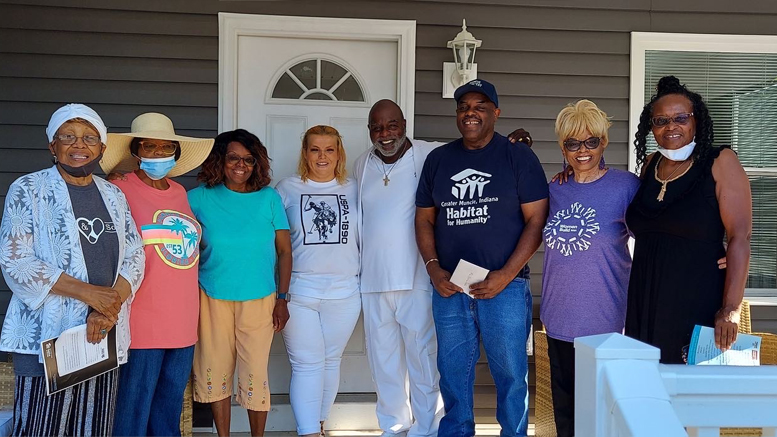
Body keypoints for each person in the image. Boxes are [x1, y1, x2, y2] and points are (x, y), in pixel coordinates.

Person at [353, 99, 535, 437]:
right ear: (369, 131)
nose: (385, 133)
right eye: (377, 127)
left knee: (427, 362)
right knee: (387, 364)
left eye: (391, 125)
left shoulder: (428, 153)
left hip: (419, 279)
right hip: (379, 280)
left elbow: (477, 144)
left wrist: (512, 141)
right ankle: (393, 427)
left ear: (404, 124)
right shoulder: (361, 165)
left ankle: (427, 429)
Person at [0, 103, 145, 436]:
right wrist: (91, 294)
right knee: (41, 426)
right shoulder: (29, 189)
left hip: (102, 332)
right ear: (53, 145)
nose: (79, 145)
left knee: (92, 425)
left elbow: (135, 254)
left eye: (89, 138)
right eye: (68, 136)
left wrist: (110, 306)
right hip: (48, 334)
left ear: (102, 148)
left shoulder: (114, 195)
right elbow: (16, 259)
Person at [415, 79, 549, 437]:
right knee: (453, 372)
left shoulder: (517, 156)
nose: (470, 113)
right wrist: (433, 269)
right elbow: (424, 218)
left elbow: (537, 219)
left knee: (511, 374)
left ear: (496, 112)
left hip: (504, 287)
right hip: (451, 288)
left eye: (479, 106)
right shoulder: (439, 160)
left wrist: (506, 274)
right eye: (463, 107)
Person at [101, 112, 214, 436]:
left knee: (168, 411)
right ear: (136, 151)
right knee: (133, 411)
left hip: (182, 321)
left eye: (166, 147)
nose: (158, 153)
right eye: (149, 146)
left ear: (175, 153)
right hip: (142, 320)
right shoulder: (119, 188)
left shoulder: (181, 193)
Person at [626, 76, 752, 364]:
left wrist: (730, 308)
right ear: (651, 127)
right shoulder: (650, 165)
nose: (671, 126)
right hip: (645, 298)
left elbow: (740, 236)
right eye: (660, 121)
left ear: (696, 121)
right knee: (647, 390)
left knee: (692, 395)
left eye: (680, 118)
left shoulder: (720, 161)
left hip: (697, 298)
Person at [540, 100, 640, 437]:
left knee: (603, 414)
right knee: (566, 414)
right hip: (558, 319)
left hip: (607, 320)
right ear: (562, 147)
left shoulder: (626, 187)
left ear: (604, 142)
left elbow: (660, 233)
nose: (583, 151)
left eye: (591, 141)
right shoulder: (553, 190)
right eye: (572, 143)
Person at [188, 129, 292, 437]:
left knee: (255, 374)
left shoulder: (269, 198)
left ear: (256, 163)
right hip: (211, 297)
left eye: (248, 159)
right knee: (214, 372)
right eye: (233, 157)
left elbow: (284, 251)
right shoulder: (197, 199)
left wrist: (283, 298)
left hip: (260, 299)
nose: (240, 165)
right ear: (220, 159)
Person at [275, 125, 361, 437]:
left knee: (329, 361)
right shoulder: (287, 188)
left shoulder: (354, 187)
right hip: (300, 292)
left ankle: (320, 423)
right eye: (315, 149)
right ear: (305, 153)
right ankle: (308, 431)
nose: (322, 156)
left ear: (339, 153)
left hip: (345, 292)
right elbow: (271, 240)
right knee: (308, 364)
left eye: (329, 149)